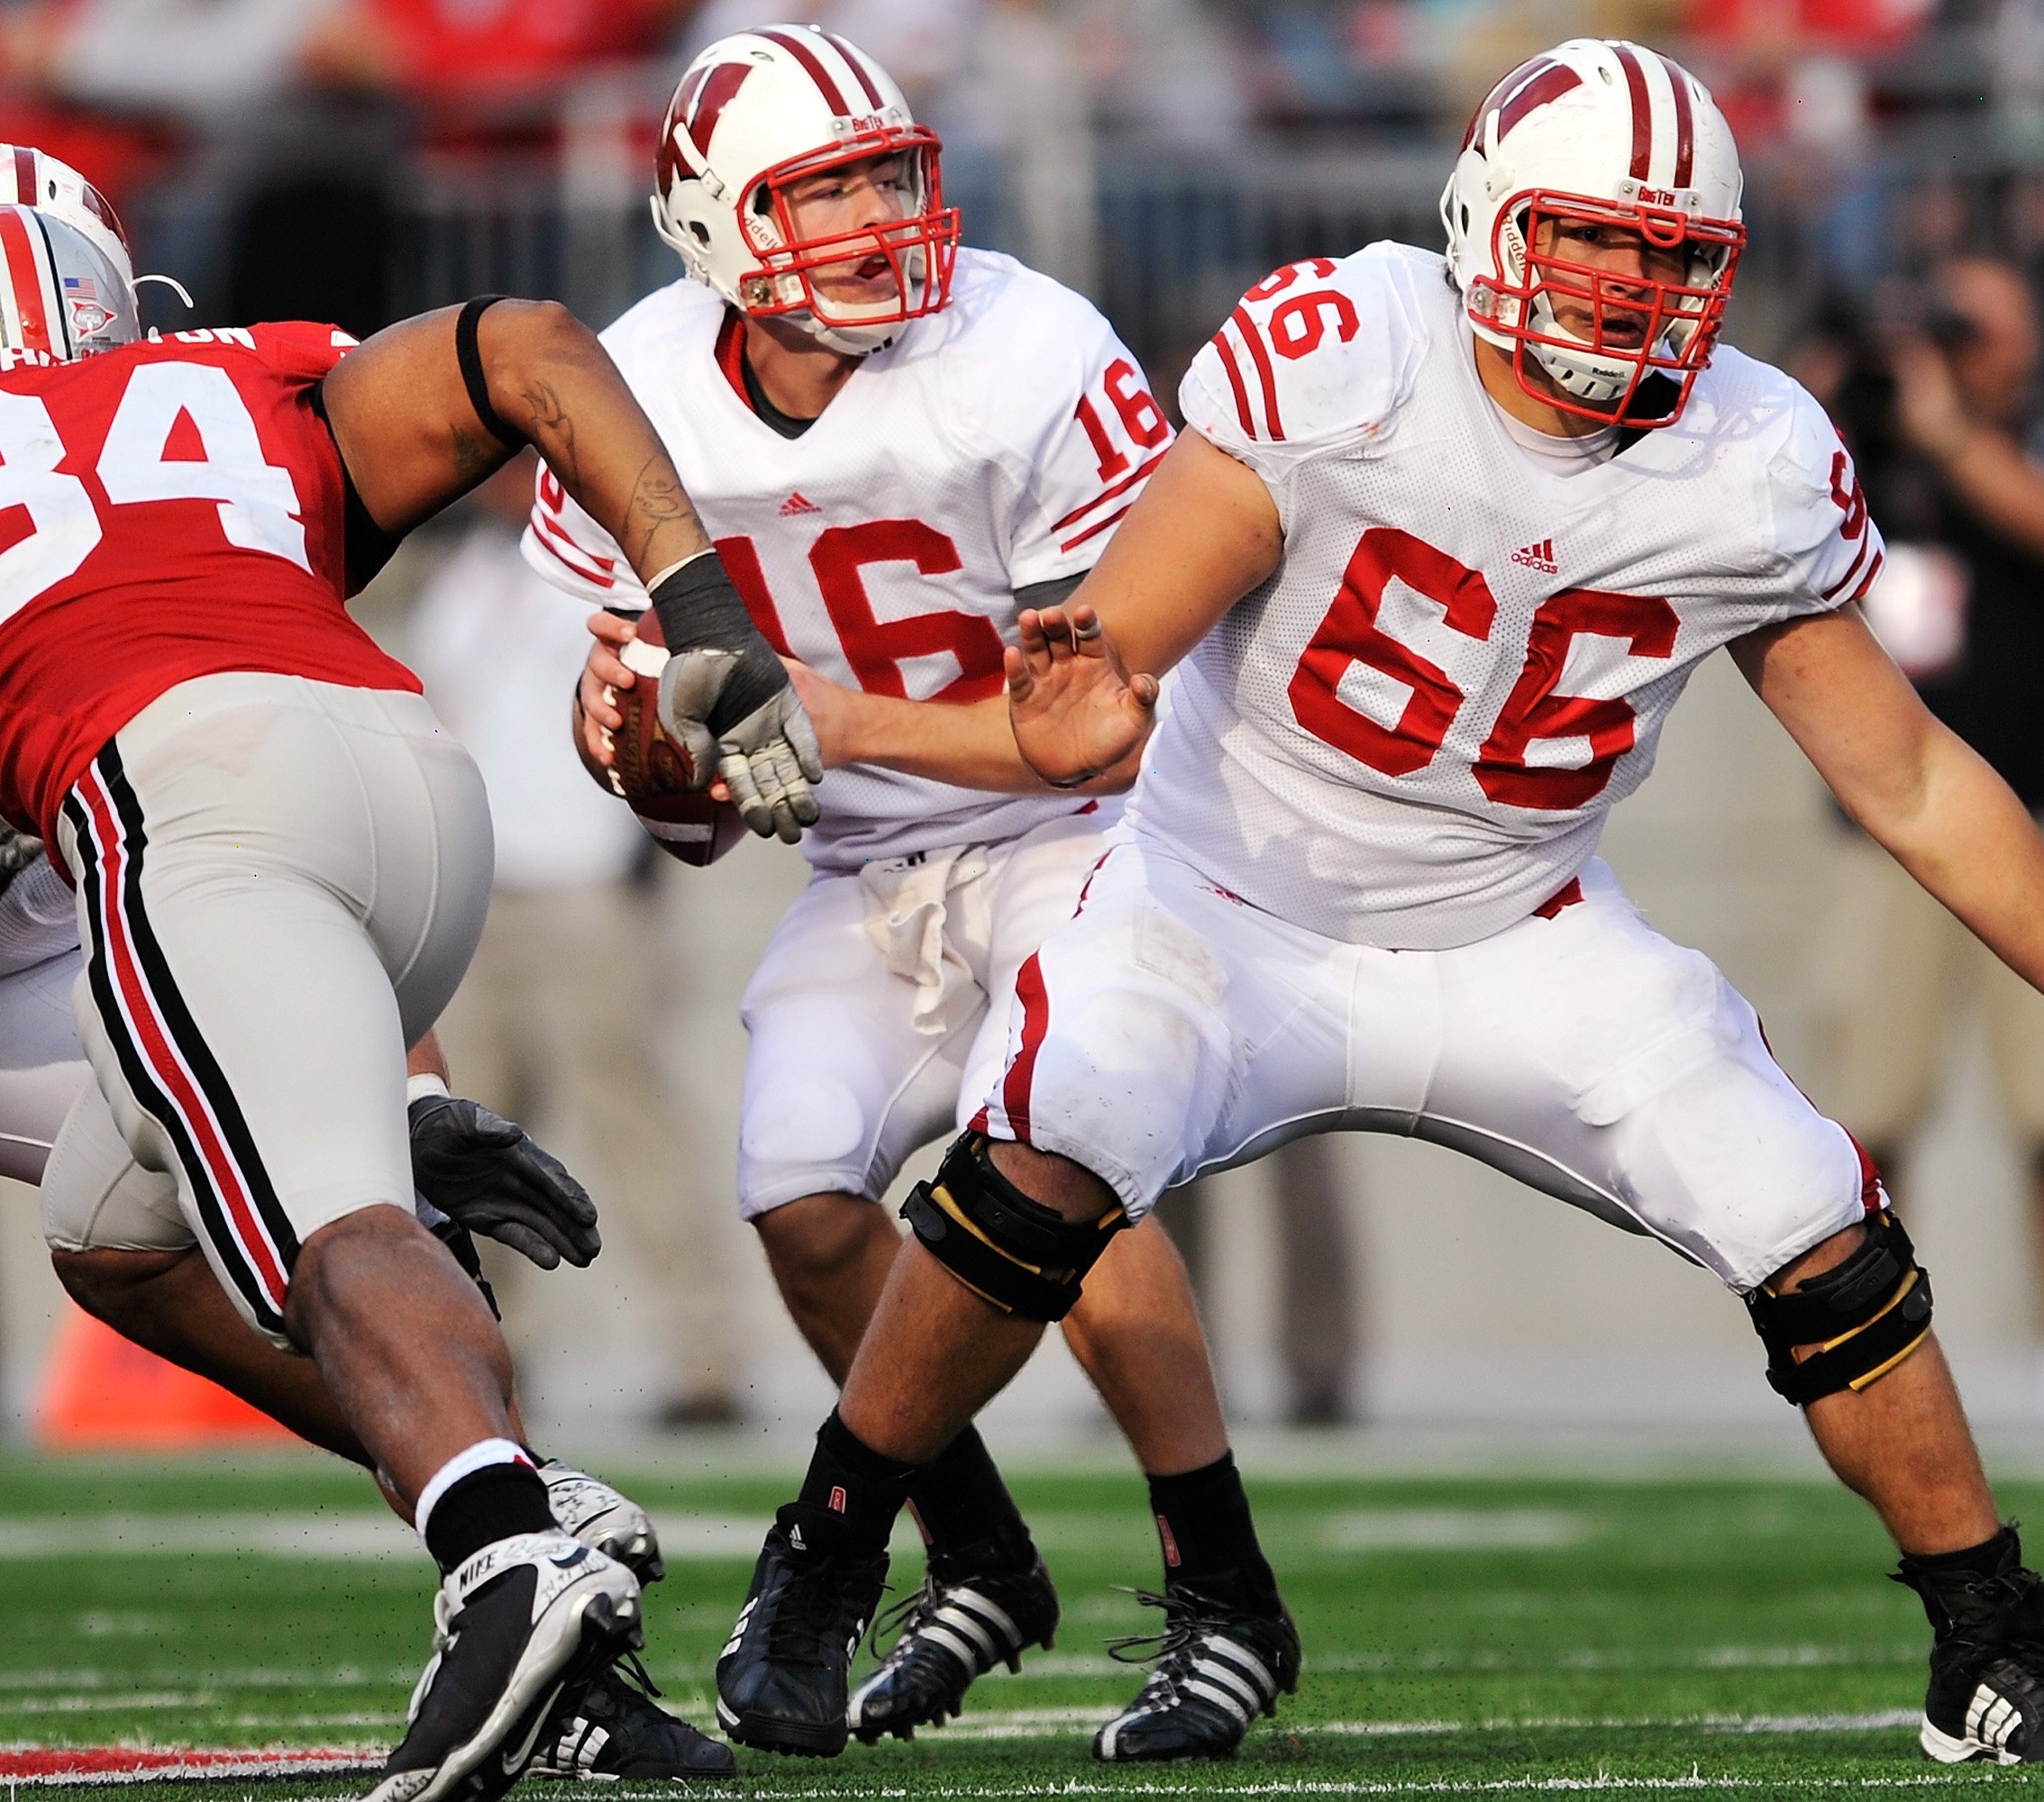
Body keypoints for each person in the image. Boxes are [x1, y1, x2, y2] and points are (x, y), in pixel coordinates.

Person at [725, 38, 2044, 1767]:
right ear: (1489, 222)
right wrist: (1083, 696)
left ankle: (1991, 1646)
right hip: (1223, 901)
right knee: (1053, 1127)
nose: (1637, 288)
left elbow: (1913, 776)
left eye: (1676, 257)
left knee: (1806, 1200)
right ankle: (821, 1564)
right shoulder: (1347, 348)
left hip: (1525, 929)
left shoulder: (1753, 454)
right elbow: (1114, 647)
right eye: (1595, 239)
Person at [0, 178, 815, 1794]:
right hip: (407, 791)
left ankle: (507, 1554)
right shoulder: (241, 375)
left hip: (174, 807)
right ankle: (519, 1517)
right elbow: (527, 343)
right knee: (116, 1234)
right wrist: (699, 605)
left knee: (326, 1230)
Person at [549, 24, 1286, 1762]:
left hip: (1089, 836)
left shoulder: (1021, 350)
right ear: (715, 224)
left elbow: (1100, 734)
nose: (882, 219)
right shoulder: (631, 385)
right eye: (826, 190)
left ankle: (1225, 1591)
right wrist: (657, 758)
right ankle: (978, 1557)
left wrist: (822, 723)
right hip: (870, 855)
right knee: (801, 1198)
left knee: (1067, 1149)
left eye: (893, 174)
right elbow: (676, 798)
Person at [1800, 257, 2044, 1434]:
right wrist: (1838, 393)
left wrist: (1947, 435)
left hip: (2028, 824)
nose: (1958, 346)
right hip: (1880, 831)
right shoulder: (1867, 443)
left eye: (1976, 324)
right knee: (1871, 1110)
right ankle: (1882, 1335)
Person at [413, 457, 748, 1431]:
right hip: (484, 885)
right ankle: (492, 1363)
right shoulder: (463, 578)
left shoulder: (616, 579)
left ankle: (705, 1351)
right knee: (472, 1134)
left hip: (586, 880)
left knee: (630, 1111)